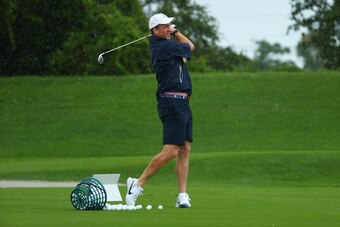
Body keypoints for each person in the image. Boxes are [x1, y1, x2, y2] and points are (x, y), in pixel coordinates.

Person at [125, 13, 195, 208]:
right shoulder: (164, 46)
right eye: (166, 26)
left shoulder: (168, 47)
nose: (170, 29)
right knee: (172, 151)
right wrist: (178, 32)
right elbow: (190, 47)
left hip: (183, 103)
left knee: (185, 148)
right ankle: (137, 184)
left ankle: (182, 195)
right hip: (171, 102)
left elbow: (186, 54)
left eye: (170, 26)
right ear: (155, 30)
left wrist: (173, 33)